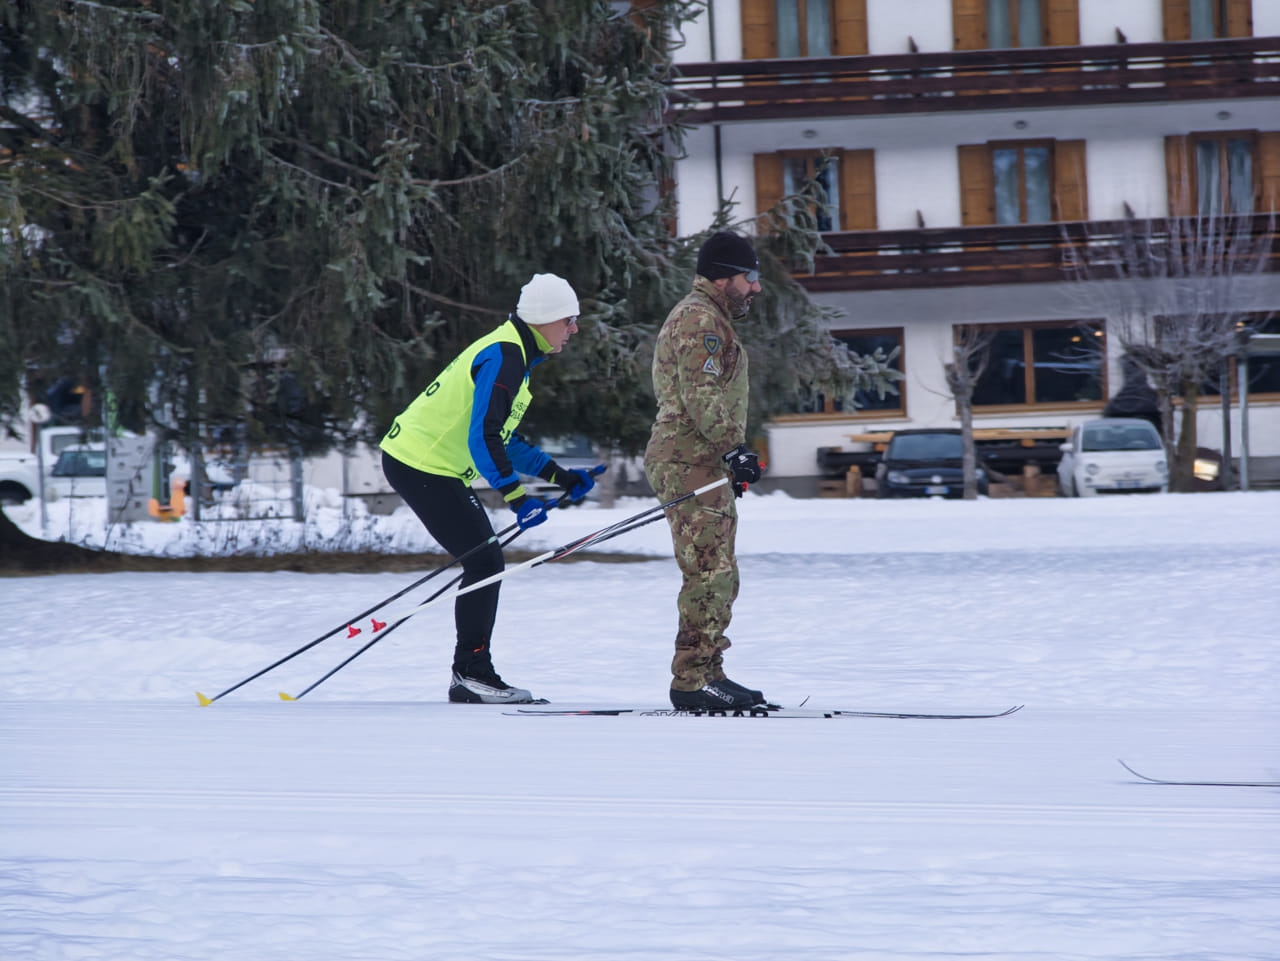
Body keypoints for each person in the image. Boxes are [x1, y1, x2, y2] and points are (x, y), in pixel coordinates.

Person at [380, 274, 601, 704]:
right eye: (569, 320)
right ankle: (471, 673)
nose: (573, 329)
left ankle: (470, 672)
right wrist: (517, 499)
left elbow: (504, 438)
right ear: (544, 319)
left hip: (428, 464)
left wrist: (560, 476)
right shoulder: (505, 356)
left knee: (485, 561)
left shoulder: (515, 353)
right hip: (419, 463)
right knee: (485, 562)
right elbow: (483, 437)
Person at [644, 231, 767, 711]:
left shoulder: (709, 317)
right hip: (687, 459)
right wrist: (734, 449)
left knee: (719, 571)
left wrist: (728, 457)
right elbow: (701, 394)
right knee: (709, 572)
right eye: (749, 277)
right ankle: (692, 680)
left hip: (700, 459)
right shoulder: (699, 320)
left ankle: (709, 670)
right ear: (724, 275)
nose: (755, 288)